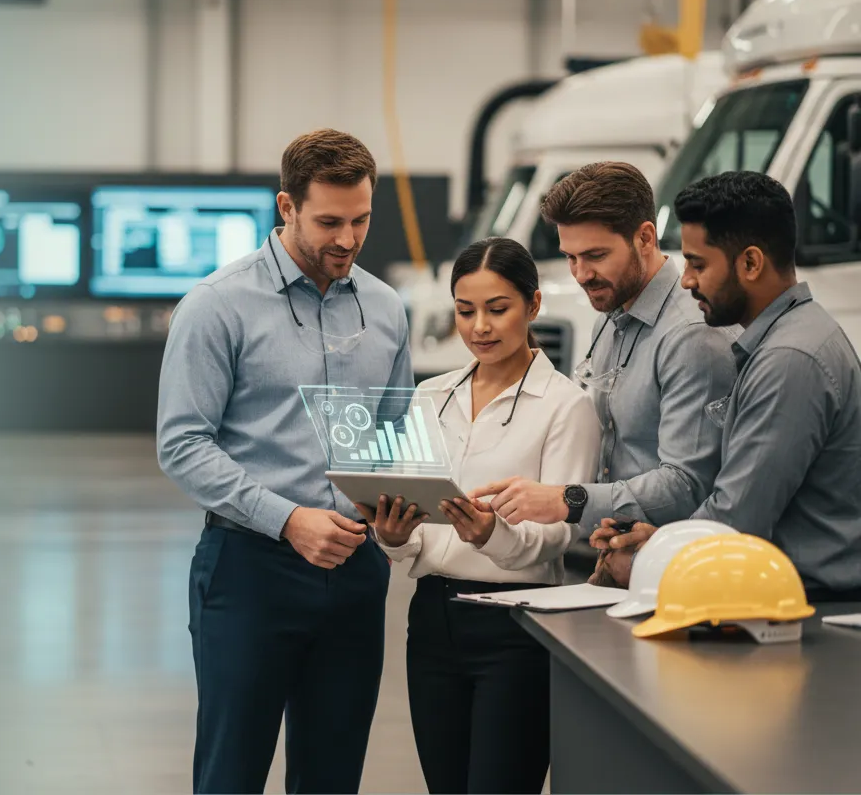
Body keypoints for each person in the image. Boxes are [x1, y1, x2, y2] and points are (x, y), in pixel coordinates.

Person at [157, 129, 413, 794]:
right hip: (250, 570)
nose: (348, 239)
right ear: (286, 207)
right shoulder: (217, 306)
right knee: (231, 773)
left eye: (360, 220)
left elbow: (393, 433)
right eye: (329, 221)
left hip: (356, 572)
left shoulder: (385, 308)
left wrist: (397, 512)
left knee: (332, 778)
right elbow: (182, 443)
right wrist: (288, 519)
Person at [353, 237, 600, 794]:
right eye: (466, 311)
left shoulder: (566, 406)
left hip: (515, 629)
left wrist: (493, 534)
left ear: (534, 306)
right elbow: (411, 532)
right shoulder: (428, 398)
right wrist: (392, 538)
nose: (480, 327)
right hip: (433, 622)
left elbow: (558, 535)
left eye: (497, 309)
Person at [592, 171, 861, 600]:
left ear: (751, 264)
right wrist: (659, 538)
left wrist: (646, 559)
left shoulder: (789, 361)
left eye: (698, 264)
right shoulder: (784, 341)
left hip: (812, 611)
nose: (686, 280)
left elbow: (738, 520)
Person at [465, 161, 736, 536]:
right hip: (617, 552)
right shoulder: (609, 318)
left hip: (675, 564)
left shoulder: (691, 337)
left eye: (595, 256)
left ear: (644, 238)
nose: (580, 275)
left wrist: (568, 499)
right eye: (570, 257)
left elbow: (686, 485)